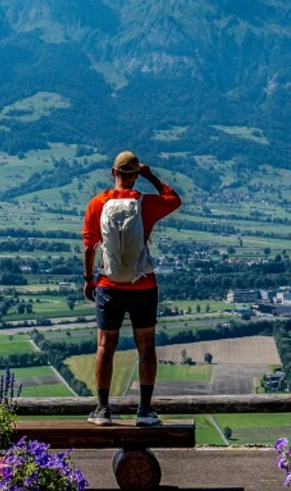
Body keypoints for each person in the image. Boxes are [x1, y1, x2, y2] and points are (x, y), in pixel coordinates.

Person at [81, 150, 181, 426]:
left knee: (105, 346)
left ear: (113, 173)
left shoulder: (97, 203)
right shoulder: (144, 204)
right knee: (146, 346)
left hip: (109, 285)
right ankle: (145, 411)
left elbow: (90, 246)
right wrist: (152, 176)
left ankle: (102, 410)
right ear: (135, 176)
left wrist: (89, 279)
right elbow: (174, 199)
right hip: (143, 284)